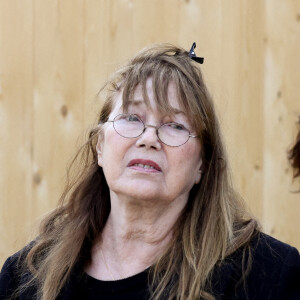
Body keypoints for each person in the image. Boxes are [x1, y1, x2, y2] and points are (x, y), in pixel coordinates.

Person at [0, 43, 300, 300]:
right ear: (99, 146)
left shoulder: (267, 276)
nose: (148, 138)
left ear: (202, 165)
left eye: (175, 125)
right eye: (132, 117)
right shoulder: (26, 278)